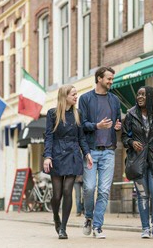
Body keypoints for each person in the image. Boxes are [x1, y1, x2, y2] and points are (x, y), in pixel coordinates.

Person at [43, 84, 93, 239]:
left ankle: (63, 227)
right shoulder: (52, 114)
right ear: (64, 96)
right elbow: (49, 136)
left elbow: (81, 138)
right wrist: (47, 156)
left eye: (76, 94)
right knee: (57, 195)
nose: (76, 97)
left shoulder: (77, 113)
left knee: (67, 191)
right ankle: (56, 218)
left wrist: (87, 153)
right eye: (73, 94)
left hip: (72, 156)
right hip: (57, 155)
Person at [122, 86, 153, 239]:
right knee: (143, 195)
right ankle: (145, 228)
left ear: (151, 96)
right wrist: (131, 142)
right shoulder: (130, 114)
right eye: (138, 94)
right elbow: (123, 138)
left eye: (143, 94)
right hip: (138, 161)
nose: (140, 96)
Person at [79, 66, 122, 239]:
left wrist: (118, 126)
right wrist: (97, 126)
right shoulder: (85, 99)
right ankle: (88, 216)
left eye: (112, 79)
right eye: (108, 79)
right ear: (99, 79)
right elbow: (82, 125)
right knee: (89, 188)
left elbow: (117, 121)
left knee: (104, 191)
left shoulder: (115, 100)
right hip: (91, 151)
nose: (111, 81)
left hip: (109, 151)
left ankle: (97, 226)